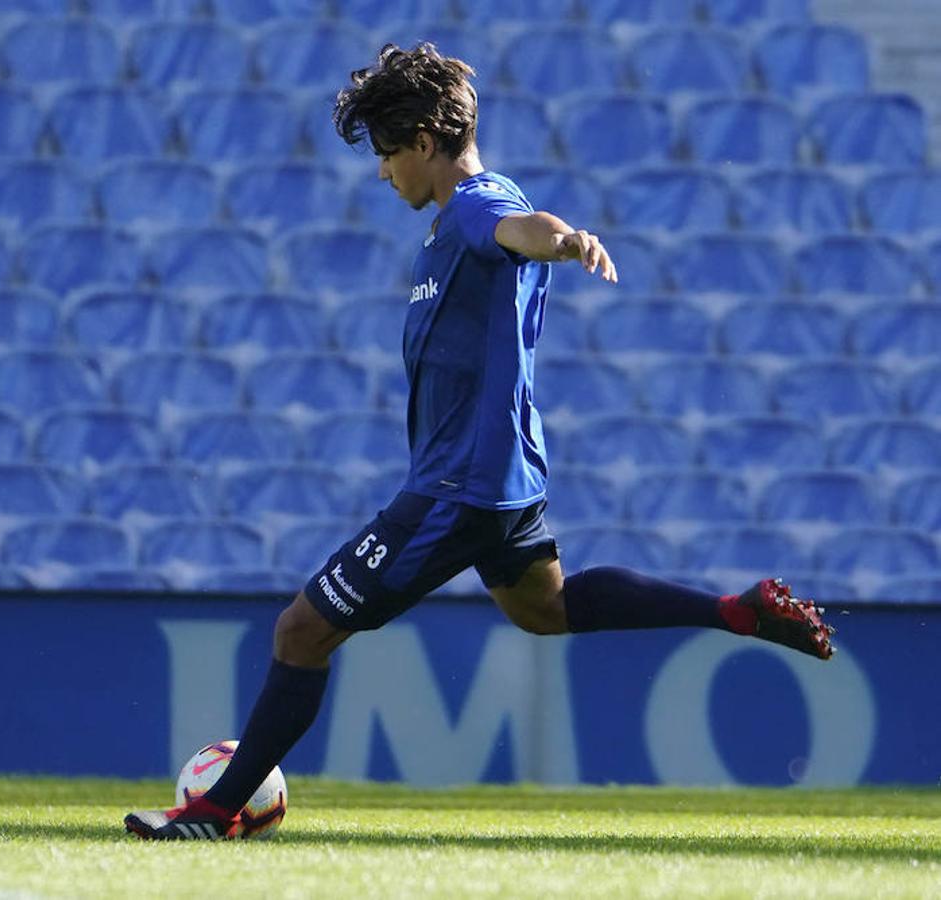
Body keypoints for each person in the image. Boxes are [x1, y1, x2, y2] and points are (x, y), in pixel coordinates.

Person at [125, 43, 833, 841]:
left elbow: (520, 229)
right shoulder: (457, 218)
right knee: (544, 607)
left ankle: (216, 811)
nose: (383, 170)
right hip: (501, 475)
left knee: (301, 630)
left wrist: (563, 239)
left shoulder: (470, 206)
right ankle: (734, 612)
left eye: (388, 151)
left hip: (457, 485)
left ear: (425, 141)